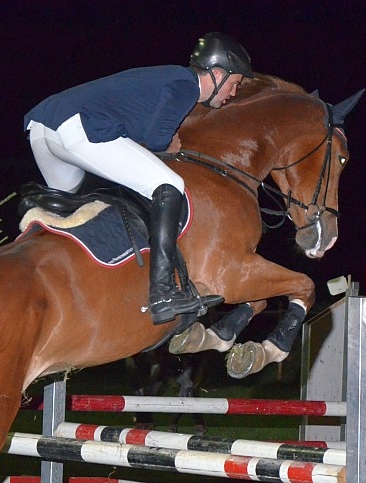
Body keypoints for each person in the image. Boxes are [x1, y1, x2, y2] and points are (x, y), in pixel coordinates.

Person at [24, 32, 252, 325]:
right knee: (170, 185)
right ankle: (163, 293)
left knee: (71, 211)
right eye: (234, 84)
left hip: (42, 128)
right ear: (217, 74)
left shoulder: (166, 78)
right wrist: (169, 145)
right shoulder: (186, 85)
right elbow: (156, 139)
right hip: (76, 128)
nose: (233, 92)